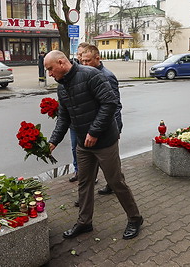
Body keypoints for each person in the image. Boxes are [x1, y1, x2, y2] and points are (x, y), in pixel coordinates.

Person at [44, 50, 143, 240]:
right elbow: (64, 117)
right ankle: (84, 222)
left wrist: (94, 132)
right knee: (84, 183)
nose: (49, 74)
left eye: (50, 69)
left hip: (105, 141)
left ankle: (135, 218)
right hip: (83, 144)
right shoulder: (62, 86)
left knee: (115, 182)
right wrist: (53, 141)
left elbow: (110, 103)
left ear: (61, 63)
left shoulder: (91, 75)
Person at [79, 44, 123, 198]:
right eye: (82, 61)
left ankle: (114, 186)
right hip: (94, 126)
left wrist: (116, 128)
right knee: (95, 163)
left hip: (108, 127)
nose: (84, 64)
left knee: (111, 165)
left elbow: (115, 105)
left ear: (98, 58)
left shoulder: (107, 76)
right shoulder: (86, 74)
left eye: (87, 61)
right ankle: (87, 194)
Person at [69, 42, 90, 182]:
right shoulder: (72, 72)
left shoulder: (96, 74)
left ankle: (89, 175)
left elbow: (112, 105)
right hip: (74, 122)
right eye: (78, 54)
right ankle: (78, 171)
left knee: (89, 152)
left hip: (87, 122)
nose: (80, 57)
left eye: (82, 54)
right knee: (74, 148)